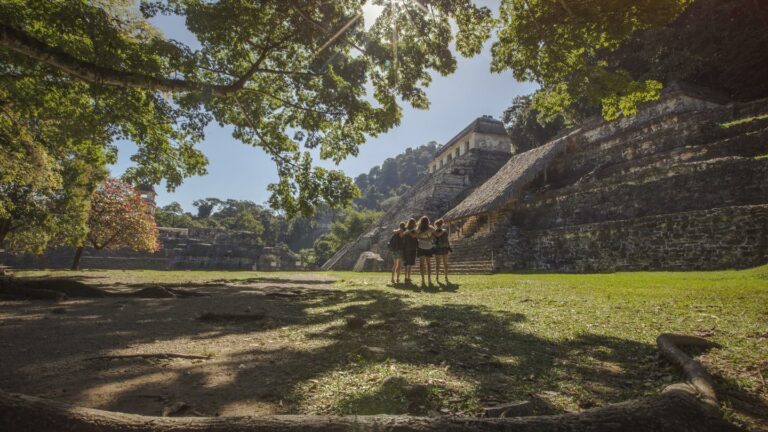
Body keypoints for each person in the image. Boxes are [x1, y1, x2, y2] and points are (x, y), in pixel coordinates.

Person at [412, 215, 435, 286]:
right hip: (429, 247)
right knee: (428, 264)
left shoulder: (419, 228)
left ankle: (423, 279)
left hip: (421, 246)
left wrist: (421, 238)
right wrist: (428, 239)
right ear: (428, 221)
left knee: (422, 264)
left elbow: (414, 236)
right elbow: (434, 235)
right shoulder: (431, 228)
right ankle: (429, 279)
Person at [433, 219, 452, 283]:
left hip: (438, 248)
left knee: (438, 264)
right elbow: (447, 239)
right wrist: (449, 247)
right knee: (445, 264)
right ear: (442, 224)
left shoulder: (434, 231)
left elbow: (434, 240)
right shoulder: (445, 231)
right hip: (444, 248)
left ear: (436, 225)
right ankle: (446, 277)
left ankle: (437, 277)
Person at [401, 218, 418, 284]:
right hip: (406, 248)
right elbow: (402, 235)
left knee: (410, 263)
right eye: (412, 223)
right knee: (407, 263)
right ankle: (406, 277)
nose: (413, 224)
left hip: (413, 248)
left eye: (414, 223)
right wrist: (409, 231)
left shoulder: (414, 230)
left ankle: (409, 277)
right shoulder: (406, 229)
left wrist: (409, 231)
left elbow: (414, 236)